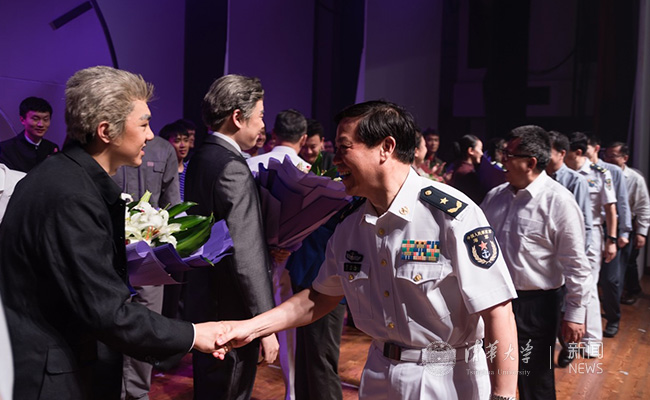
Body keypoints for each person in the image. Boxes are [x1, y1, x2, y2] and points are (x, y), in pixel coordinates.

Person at [215, 100, 519, 400]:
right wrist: (253, 327)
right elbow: (319, 298)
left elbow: (498, 312)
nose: (335, 159)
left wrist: (503, 396)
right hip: (378, 373)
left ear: (386, 147)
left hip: (447, 378)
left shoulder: (451, 216)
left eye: (344, 147)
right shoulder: (351, 225)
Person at [0, 66, 225, 400]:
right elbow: (107, 312)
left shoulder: (67, 177)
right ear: (106, 131)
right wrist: (193, 334)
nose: (151, 136)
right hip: (52, 375)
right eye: (144, 124)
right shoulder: (72, 194)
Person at [183, 74, 278, 400]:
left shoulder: (202, 156)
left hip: (205, 298)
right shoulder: (232, 166)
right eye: (260, 115)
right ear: (238, 117)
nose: (262, 124)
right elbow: (246, 253)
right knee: (231, 390)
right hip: (232, 307)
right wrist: (265, 324)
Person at [481, 125, 591, 400]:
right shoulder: (495, 197)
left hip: (536, 306)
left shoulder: (559, 202)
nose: (502, 160)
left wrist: (575, 314)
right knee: (491, 376)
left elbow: (576, 264)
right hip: (495, 301)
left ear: (530, 162)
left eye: (509, 155)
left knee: (535, 380)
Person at [112, 122, 181, 400]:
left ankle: (138, 393)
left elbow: (173, 205)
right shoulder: (109, 144)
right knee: (108, 322)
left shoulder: (163, 149)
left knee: (147, 326)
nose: (148, 130)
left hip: (148, 258)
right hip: (109, 253)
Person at [246, 108, 309, 400]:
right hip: (288, 263)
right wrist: (289, 244)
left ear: (273, 134)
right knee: (286, 330)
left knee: (248, 323)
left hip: (251, 259)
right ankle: (291, 392)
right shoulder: (307, 172)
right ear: (303, 138)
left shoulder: (250, 165)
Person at [565, 131, 617, 357]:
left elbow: (611, 209)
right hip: (567, 232)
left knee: (589, 286)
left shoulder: (600, 173)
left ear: (577, 152)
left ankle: (592, 341)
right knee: (570, 285)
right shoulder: (563, 174)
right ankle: (568, 339)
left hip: (592, 232)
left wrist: (611, 239)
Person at [586, 135, 632, 338]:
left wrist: (623, 232)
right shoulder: (577, 171)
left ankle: (613, 318)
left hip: (609, 230)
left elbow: (621, 203)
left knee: (610, 280)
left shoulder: (610, 171)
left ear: (595, 148)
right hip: (590, 229)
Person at [604, 142, 650, 305]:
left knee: (628, 262)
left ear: (625, 158)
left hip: (627, 225)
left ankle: (632, 291)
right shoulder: (602, 173)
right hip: (606, 224)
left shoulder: (635, 178)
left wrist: (642, 233)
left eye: (613, 156)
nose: (608, 159)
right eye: (606, 155)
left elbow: (643, 206)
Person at [0, 96, 59, 172]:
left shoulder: (52, 148)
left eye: (45, 119)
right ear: (22, 120)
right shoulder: (6, 149)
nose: (41, 124)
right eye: (35, 119)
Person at [448, 134, 487, 203]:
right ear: (470, 150)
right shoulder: (466, 172)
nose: (481, 154)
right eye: (480, 149)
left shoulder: (459, 166)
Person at [159, 121, 192, 200]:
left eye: (186, 140)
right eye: (177, 141)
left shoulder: (191, 168)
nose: (183, 145)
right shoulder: (161, 170)